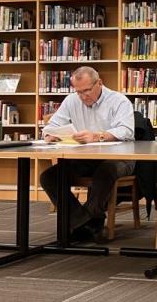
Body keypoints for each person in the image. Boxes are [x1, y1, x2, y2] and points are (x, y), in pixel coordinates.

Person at [40, 66, 135, 242]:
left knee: (106, 171)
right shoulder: (71, 101)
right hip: (85, 157)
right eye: (79, 92)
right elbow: (51, 126)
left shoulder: (119, 101)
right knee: (49, 177)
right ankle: (85, 222)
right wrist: (50, 134)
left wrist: (98, 136)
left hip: (119, 157)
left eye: (87, 90)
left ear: (99, 83)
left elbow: (126, 130)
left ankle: (87, 221)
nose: (83, 96)